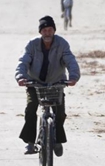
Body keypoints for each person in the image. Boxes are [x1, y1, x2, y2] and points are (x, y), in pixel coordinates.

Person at [15, 16, 80, 156]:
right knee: (31, 109)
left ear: (54, 31)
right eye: (44, 30)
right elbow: (23, 62)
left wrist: (73, 77)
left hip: (56, 83)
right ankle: (30, 143)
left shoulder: (62, 44)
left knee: (60, 113)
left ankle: (57, 140)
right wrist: (21, 77)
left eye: (50, 30)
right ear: (40, 32)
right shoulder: (32, 44)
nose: (47, 33)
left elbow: (70, 61)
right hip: (35, 83)